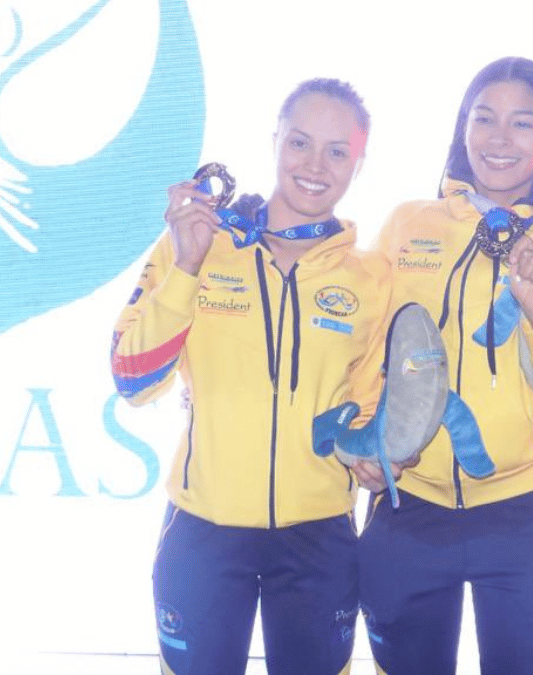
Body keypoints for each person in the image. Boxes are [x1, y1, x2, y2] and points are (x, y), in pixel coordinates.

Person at [111, 78, 388, 674]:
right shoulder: (200, 242)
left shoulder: (371, 278)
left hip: (318, 538)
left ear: (358, 164)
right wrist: (185, 265)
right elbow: (132, 381)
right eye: (300, 142)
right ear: (275, 143)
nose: (315, 165)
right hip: (205, 535)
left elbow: (368, 404)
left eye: (337, 151)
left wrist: (376, 456)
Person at [352, 56, 533, 675]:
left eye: (523, 124)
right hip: (404, 505)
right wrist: (364, 437)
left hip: (523, 517)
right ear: (461, 128)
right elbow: (363, 354)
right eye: (484, 118)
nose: (499, 139)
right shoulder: (408, 224)